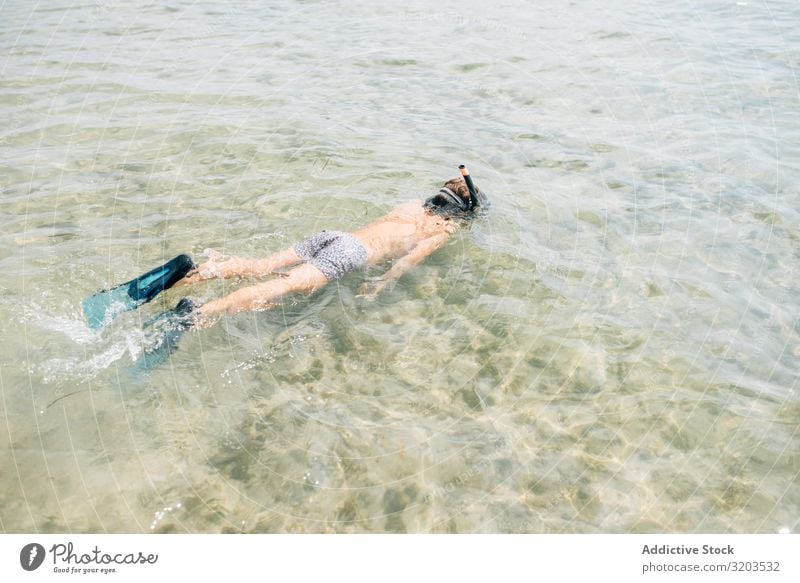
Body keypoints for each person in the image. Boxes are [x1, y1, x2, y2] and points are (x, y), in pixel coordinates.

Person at [82, 165, 487, 366]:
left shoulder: (411, 207)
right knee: (281, 288)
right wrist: (381, 285)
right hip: (350, 255)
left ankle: (189, 273)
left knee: (261, 267)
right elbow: (407, 262)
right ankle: (196, 315)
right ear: (463, 213)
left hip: (336, 236)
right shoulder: (442, 231)